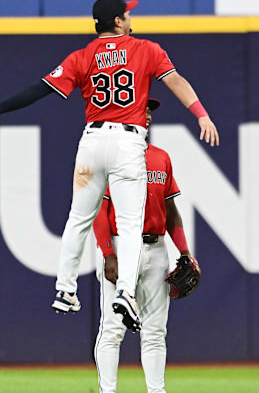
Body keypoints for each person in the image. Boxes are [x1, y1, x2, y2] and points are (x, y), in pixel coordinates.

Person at [0, 0, 219, 333]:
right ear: (117, 21)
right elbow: (175, 81)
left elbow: (40, 89)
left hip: (91, 142)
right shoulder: (146, 49)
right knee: (130, 225)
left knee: (78, 218)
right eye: (126, 15)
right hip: (127, 142)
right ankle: (126, 294)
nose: (130, 18)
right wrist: (201, 114)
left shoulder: (82, 56)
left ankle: (65, 288)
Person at [93, 97, 193, 393]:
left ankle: (156, 391)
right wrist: (108, 254)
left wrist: (184, 251)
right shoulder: (108, 158)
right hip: (122, 246)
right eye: (141, 109)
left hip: (157, 248)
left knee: (155, 331)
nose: (147, 114)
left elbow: (171, 212)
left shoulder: (161, 157)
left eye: (149, 110)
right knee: (112, 330)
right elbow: (99, 211)